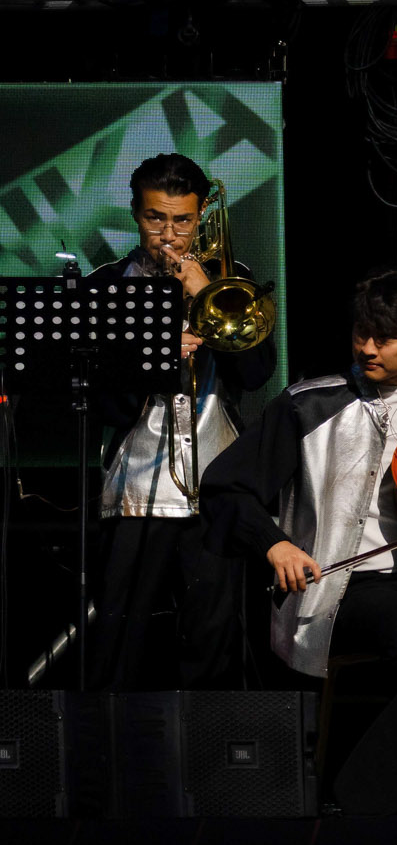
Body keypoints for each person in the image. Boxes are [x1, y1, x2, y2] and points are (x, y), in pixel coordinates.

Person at [201, 269, 397, 702]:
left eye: (386, 339)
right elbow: (224, 486)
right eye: (362, 333)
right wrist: (275, 544)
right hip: (349, 585)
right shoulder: (309, 405)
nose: (368, 349)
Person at [85, 152, 275, 690]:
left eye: (183, 221)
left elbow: (257, 373)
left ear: (201, 218)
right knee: (121, 636)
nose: (169, 235)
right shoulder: (107, 285)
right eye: (155, 218)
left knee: (213, 636)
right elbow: (105, 408)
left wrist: (203, 290)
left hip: (215, 480)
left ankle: (209, 739)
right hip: (135, 484)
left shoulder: (231, 277)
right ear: (135, 213)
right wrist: (154, 358)